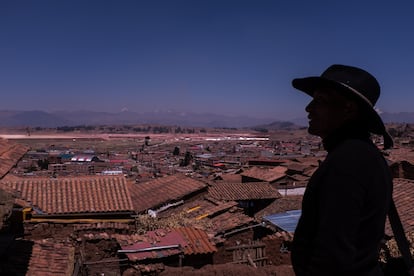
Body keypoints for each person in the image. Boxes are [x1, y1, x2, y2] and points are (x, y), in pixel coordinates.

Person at [290, 64, 394, 275]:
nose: (308, 108)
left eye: (320, 100)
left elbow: (333, 255)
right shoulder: (363, 154)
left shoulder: (348, 162)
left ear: (348, 108)